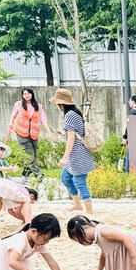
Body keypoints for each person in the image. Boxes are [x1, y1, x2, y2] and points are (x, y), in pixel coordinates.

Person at [51, 87, 95, 215]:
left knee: (79, 182)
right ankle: (77, 204)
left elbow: (71, 138)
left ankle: (89, 212)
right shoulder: (74, 112)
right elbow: (75, 134)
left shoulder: (70, 115)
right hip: (77, 154)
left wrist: (64, 157)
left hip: (78, 155)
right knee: (65, 177)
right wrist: (62, 133)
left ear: (61, 104)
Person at [5, 87, 50, 164]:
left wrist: (49, 132)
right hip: (21, 133)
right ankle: (39, 175)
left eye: (28, 93)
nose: (27, 95)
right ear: (22, 96)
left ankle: (25, 173)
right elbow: (13, 114)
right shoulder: (18, 104)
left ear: (32, 94)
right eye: (24, 94)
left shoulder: (39, 106)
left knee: (33, 155)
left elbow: (43, 120)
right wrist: (11, 122)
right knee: (30, 155)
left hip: (34, 134)